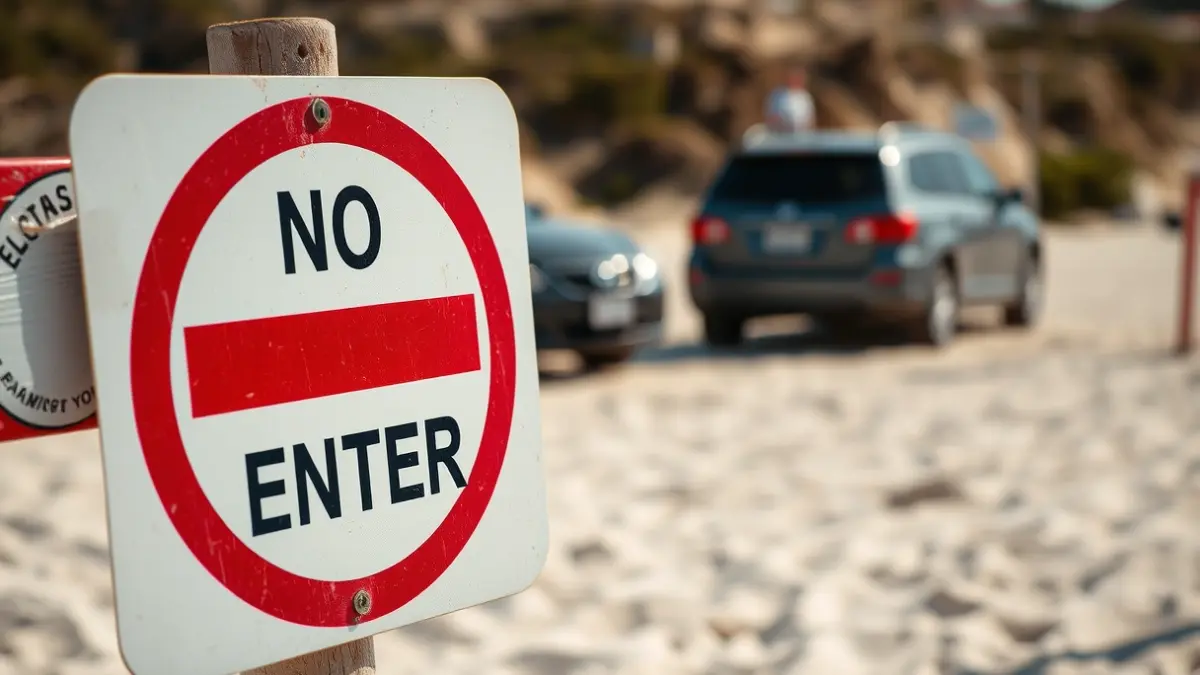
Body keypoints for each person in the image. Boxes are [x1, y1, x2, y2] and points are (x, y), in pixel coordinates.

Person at [764, 67, 816, 132]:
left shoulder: (805, 97)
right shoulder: (777, 95)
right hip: (781, 135)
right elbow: (771, 117)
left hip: (801, 135)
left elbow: (811, 119)